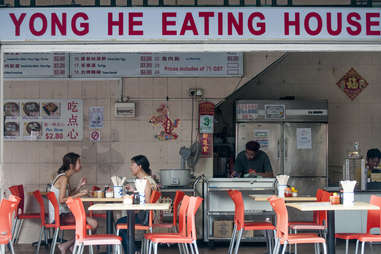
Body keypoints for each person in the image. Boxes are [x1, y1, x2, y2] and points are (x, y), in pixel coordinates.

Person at [48, 152, 98, 254]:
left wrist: (79, 186)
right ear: (72, 165)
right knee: (94, 223)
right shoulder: (64, 178)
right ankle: (69, 245)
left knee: (91, 223)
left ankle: (68, 245)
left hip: (61, 215)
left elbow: (68, 194)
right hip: (60, 216)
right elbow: (62, 199)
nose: (81, 165)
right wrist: (80, 194)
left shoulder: (64, 176)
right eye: (79, 162)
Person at [116, 155, 158, 254]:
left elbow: (146, 203)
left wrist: (134, 208)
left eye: (132, 164)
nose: (130, 167)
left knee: (120, 224)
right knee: (120, 223)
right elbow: (143, 197)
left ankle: (133, 251)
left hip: (145, 217)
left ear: (139, 167)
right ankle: (133, 251)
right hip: (144, 215)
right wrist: (134, 191)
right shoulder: (145, 180)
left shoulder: (146, 181)